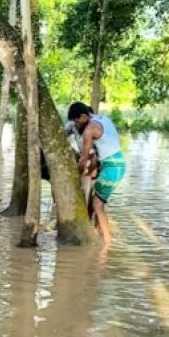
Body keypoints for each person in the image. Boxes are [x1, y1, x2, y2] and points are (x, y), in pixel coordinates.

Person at [67, 102, 126, 246]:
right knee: (98, 203)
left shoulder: (89, 130)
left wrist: (76, 175)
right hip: (118, 164)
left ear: (83, 116)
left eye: (76, 120)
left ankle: (107, 243)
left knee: (97, 205)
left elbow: (83, 158)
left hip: (111, 167)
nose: (76, 124)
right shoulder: (103, 119)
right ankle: (96, 232)